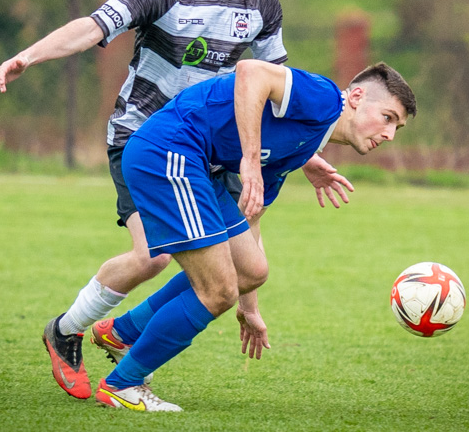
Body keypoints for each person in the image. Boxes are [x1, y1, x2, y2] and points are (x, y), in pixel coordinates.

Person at [0, 0, 353, 400]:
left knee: (248, 270)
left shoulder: (261, 0)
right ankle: (65, 331)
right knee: (153, 256)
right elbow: (92, 28)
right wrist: (29, 56)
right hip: (143, 138)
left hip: (207, 149)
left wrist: (308, 155)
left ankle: (121, 333)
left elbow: (275, 94)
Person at [87, 59, 416, 411]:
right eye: (388, 118)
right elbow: (251, 72)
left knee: (251, 271)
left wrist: (250, 308)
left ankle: (122, 332)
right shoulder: (324, 99)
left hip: (194, 166)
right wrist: (249, 158)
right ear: (357, 97)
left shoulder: (305, 146)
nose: (389, 135)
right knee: (217, 291)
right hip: (169, 152)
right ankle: (122, 385)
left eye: (397, 127)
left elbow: (252, 213)